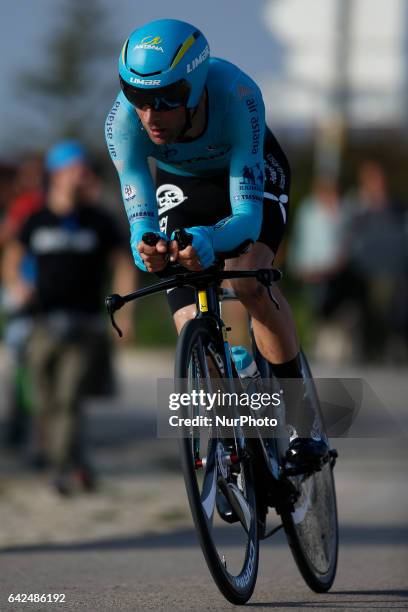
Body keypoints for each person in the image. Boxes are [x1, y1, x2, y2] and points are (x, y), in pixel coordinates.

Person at [105, 19, 327, 466]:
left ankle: (305, 425)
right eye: (138, 98)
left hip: (248, 174)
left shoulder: (237, 94)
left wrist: (210, 237)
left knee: (248, 283)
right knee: (189, 319)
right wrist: (145, 243)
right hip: (182, 186)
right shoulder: (122, 123)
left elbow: (245, 219)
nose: (150, 115)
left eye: (167, 99)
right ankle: (231, 439)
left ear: (197, 85)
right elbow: (140, 210)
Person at [3, 141, 136, 494]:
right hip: (43, 323)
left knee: (68, 397)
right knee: (45, 400)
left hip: (86, 324)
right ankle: (80, 463)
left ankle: (60, 469)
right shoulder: (37, 219)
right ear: (58, 175)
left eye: (86, 171)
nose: (84, 176)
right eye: (76, 170)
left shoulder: (100, 220)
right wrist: (18, 285)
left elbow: (123, 263)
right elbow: (12, 256)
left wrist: (126, 311)